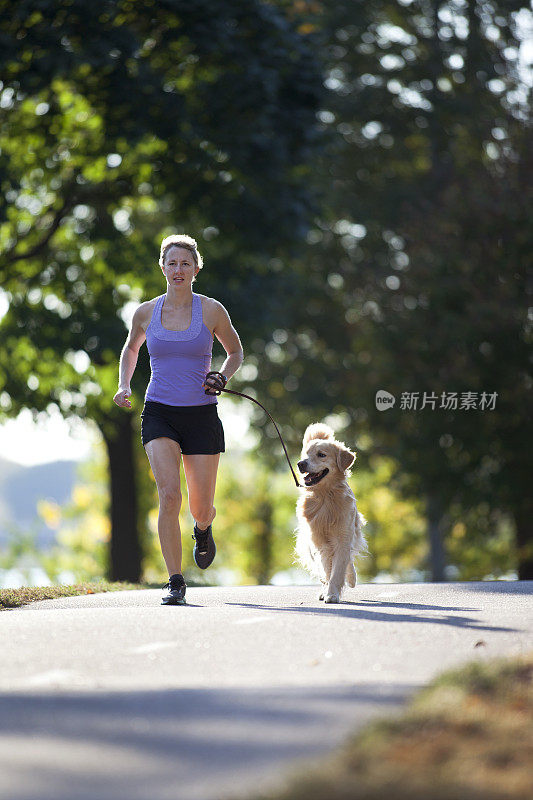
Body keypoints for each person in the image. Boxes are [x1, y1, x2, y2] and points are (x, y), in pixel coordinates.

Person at [113, 234, 243, 605]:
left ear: (196, 268)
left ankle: (203, 529)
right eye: (172, 263)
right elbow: (131, 347)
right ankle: (175, 581)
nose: (178, 270)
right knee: (169, 495)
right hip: (159, 412)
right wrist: (123, 385)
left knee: (201, 507)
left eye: (186, 263)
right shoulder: (145, 312)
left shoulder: (212, 310)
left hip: (201, 414)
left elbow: (235, 351)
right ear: (163, 268)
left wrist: (222, 375)